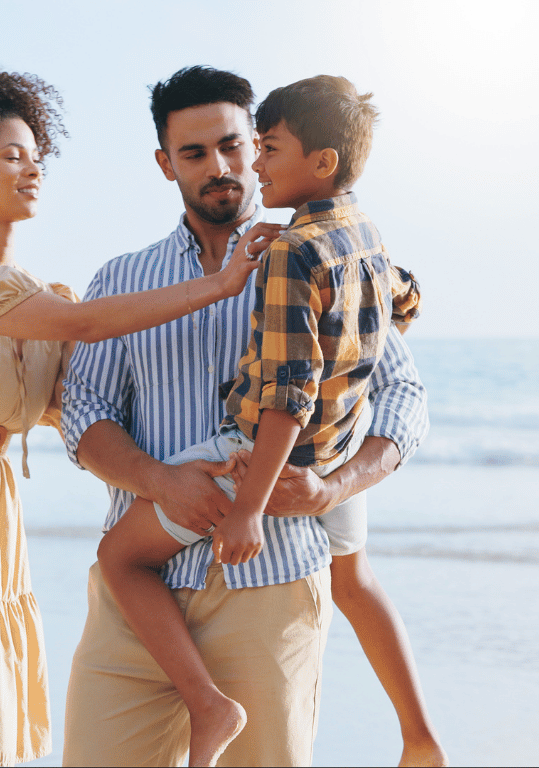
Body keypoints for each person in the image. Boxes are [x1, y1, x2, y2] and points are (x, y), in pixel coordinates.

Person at [0, 55, 271, 767]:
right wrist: (222, 285)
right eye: (11, 156)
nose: (32, 168)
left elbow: (83, 402)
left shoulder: (39, 295)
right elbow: (89, 327)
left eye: (36, 155)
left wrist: (209, 458)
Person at [59, 66, 433, 767]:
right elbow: (85, 409)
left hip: (272, 591)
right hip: (136, 616)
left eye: (236, 145)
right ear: (165, 162)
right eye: (196, 153)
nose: (224, 168)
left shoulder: (314, 258)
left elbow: (404, 399)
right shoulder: (120, 281)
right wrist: (158, 480)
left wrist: (334, 488)